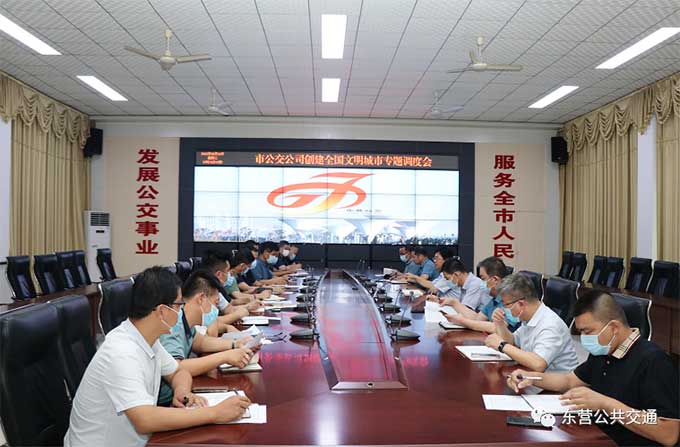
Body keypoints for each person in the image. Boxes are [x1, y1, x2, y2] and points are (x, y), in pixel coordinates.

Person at [64, 267, 251, 447]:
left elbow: (178, 372)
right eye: (179, 305)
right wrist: (215, 413)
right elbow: (145, 419)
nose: (181, 311)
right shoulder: (121, 352)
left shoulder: (148, 340)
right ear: (162, 311)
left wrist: (182, 391)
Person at [507, 290, 679, 447]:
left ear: (614, 327)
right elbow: (569, 381)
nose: (583, 339)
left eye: (588, 332)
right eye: (581, 332)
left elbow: (669, 433)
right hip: (596, 435)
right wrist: (532, 378)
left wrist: (606, 404)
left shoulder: (654, 361)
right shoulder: (604, 351)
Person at [157, 270, 255, 406]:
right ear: (201, 298)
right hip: (166, 402)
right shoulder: (173, 324)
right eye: (215, 303)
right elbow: (177, 367)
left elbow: (200, 342)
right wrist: (225, 356)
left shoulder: (185, 320)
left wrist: (236, 344)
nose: (216, 309)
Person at [484, 273, 578, 372]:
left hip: (555, 380)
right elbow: (513, 342)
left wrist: (502, 345)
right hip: (532, 375)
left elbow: (538, 363)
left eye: (506, 305)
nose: (504, 308)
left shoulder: (550, 325)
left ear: (521, 304)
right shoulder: (529, 317)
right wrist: (500, 324)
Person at [442, 256, 520, 333]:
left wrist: (463, 321)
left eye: (483, 279)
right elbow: (477, 319)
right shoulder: (494, 300)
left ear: (495, 280)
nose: (481, 283)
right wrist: (454, 303)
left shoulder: (511, 300)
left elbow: (497, 327)